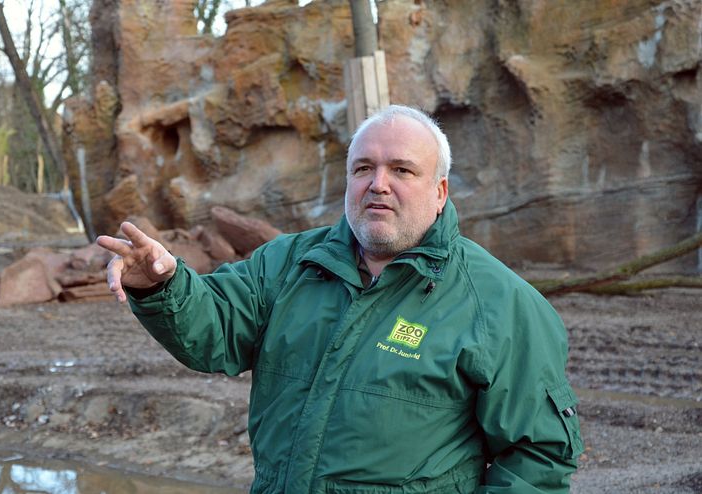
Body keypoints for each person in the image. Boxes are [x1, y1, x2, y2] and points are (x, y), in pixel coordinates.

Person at [97, 105, 583, 494]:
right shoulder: (290, 263)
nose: (378, 183)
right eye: (363, 168)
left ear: (440, 192)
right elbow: (216, 329)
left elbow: (538, 456)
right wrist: (161, 284)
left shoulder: (500, 303)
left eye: (402, 170)